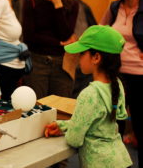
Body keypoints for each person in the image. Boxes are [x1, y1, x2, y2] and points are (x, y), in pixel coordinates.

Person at [44, 25, 133, 168]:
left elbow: (74, 140)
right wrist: (63, 125)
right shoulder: (117, 84)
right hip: (120, 160)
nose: (78, 58)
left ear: (96, 57)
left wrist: (70, 130)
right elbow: (97, 124)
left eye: (82, 53)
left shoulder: (89, 94)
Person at [100, 0, 143, 166]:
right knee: (115, 121)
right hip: (117, 73)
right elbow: (102, 30)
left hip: (140, 74)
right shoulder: (115, 7)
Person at [22, 0, 79, 99]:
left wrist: (58, 5)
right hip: (37, 61)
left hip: (62, 63)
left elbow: (65, 34)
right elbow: (29, 37)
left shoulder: (73, 4)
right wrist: (57, 43)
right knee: (37, 107)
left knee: (61, 109)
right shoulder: (31, 1)